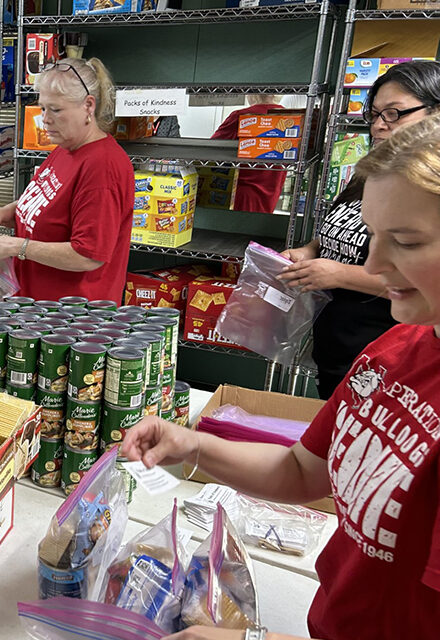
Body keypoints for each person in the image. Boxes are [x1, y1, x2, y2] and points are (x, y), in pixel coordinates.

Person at [123, 113, 440, 640]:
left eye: (405, 242)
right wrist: (193, 445)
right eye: (374, 236)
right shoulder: (398, 349)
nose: (376, 264)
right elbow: (301, 471)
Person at [279, 61, 440, 398]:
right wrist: (311, 250)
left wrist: (339, 274)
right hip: (339, 346)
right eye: (376, 114)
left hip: (387, 352)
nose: (380, 125)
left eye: (394, 113)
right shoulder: (374, 172)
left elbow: (418, 281)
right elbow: (341, 228)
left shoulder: (428, 188)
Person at [0, 57, 133, 302]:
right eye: (43, 108)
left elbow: (88, 255)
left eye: (55, 110)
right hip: (36, 310)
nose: (45, 119)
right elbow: (48, 205)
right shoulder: (66, 147)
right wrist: (2, 213)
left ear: (88, 106)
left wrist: (18, 247)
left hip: (72, 321)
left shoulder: (103, 167)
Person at [210, 94, 288, 214]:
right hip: (271, 194)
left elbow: (208, 150)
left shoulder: (240, 116)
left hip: (241, 194)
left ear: (252, 93)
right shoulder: (289, 118)